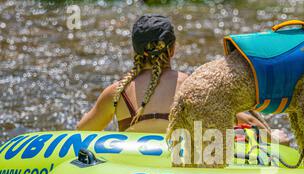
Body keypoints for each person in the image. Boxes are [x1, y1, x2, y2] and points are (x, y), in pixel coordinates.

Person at [77, 13, 289, 144]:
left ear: (136, 51)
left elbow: (79, 134)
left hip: (131, 172)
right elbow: (248, 120)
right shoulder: (193, 85)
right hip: (178, 172)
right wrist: (274, 137)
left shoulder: (117, 92)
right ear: (172, 50)